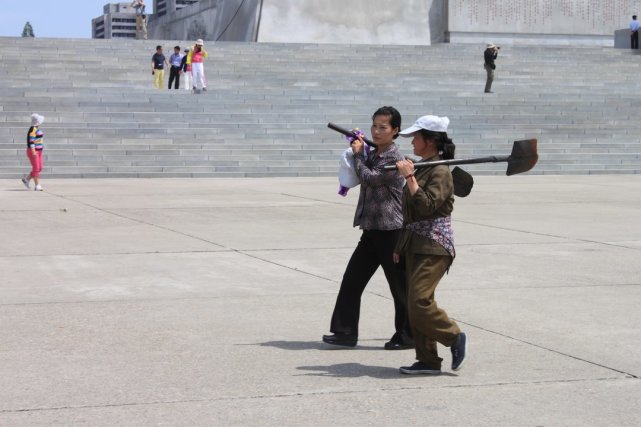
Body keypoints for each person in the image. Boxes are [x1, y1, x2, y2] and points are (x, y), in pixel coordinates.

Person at [322, 106, 414, 350]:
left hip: (391, 231)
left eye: (383, 127)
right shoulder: (374, 152)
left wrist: (359, 154)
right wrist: (359, 149)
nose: (377, 130)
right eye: (374, 125)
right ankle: (344, 332)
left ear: (395, 131)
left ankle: (407, 336)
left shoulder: (395, 158)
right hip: (371, 229)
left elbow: (370, 178)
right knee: (352, 280)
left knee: (399, 287)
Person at [393, 115, 467, 375]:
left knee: (419, 302)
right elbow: (409, 213)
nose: (412, 141)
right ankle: (427, 360)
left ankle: (454, 336)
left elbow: (426, 206)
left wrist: (410, 178)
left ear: (430, 140)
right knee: (416, 304)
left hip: (435, 245)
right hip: (415, 243)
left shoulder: (440, 171)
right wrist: (400, 246)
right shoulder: (425, 166)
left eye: (416, 136)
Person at [21, 114, 45, 191]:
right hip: (33, 151)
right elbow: (31, 141)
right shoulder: (33, 129)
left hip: (39, 151)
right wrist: (33, 151)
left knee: (39, 168)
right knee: (36, 168)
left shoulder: (36, 128)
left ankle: (26, 179)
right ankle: (37, 185)